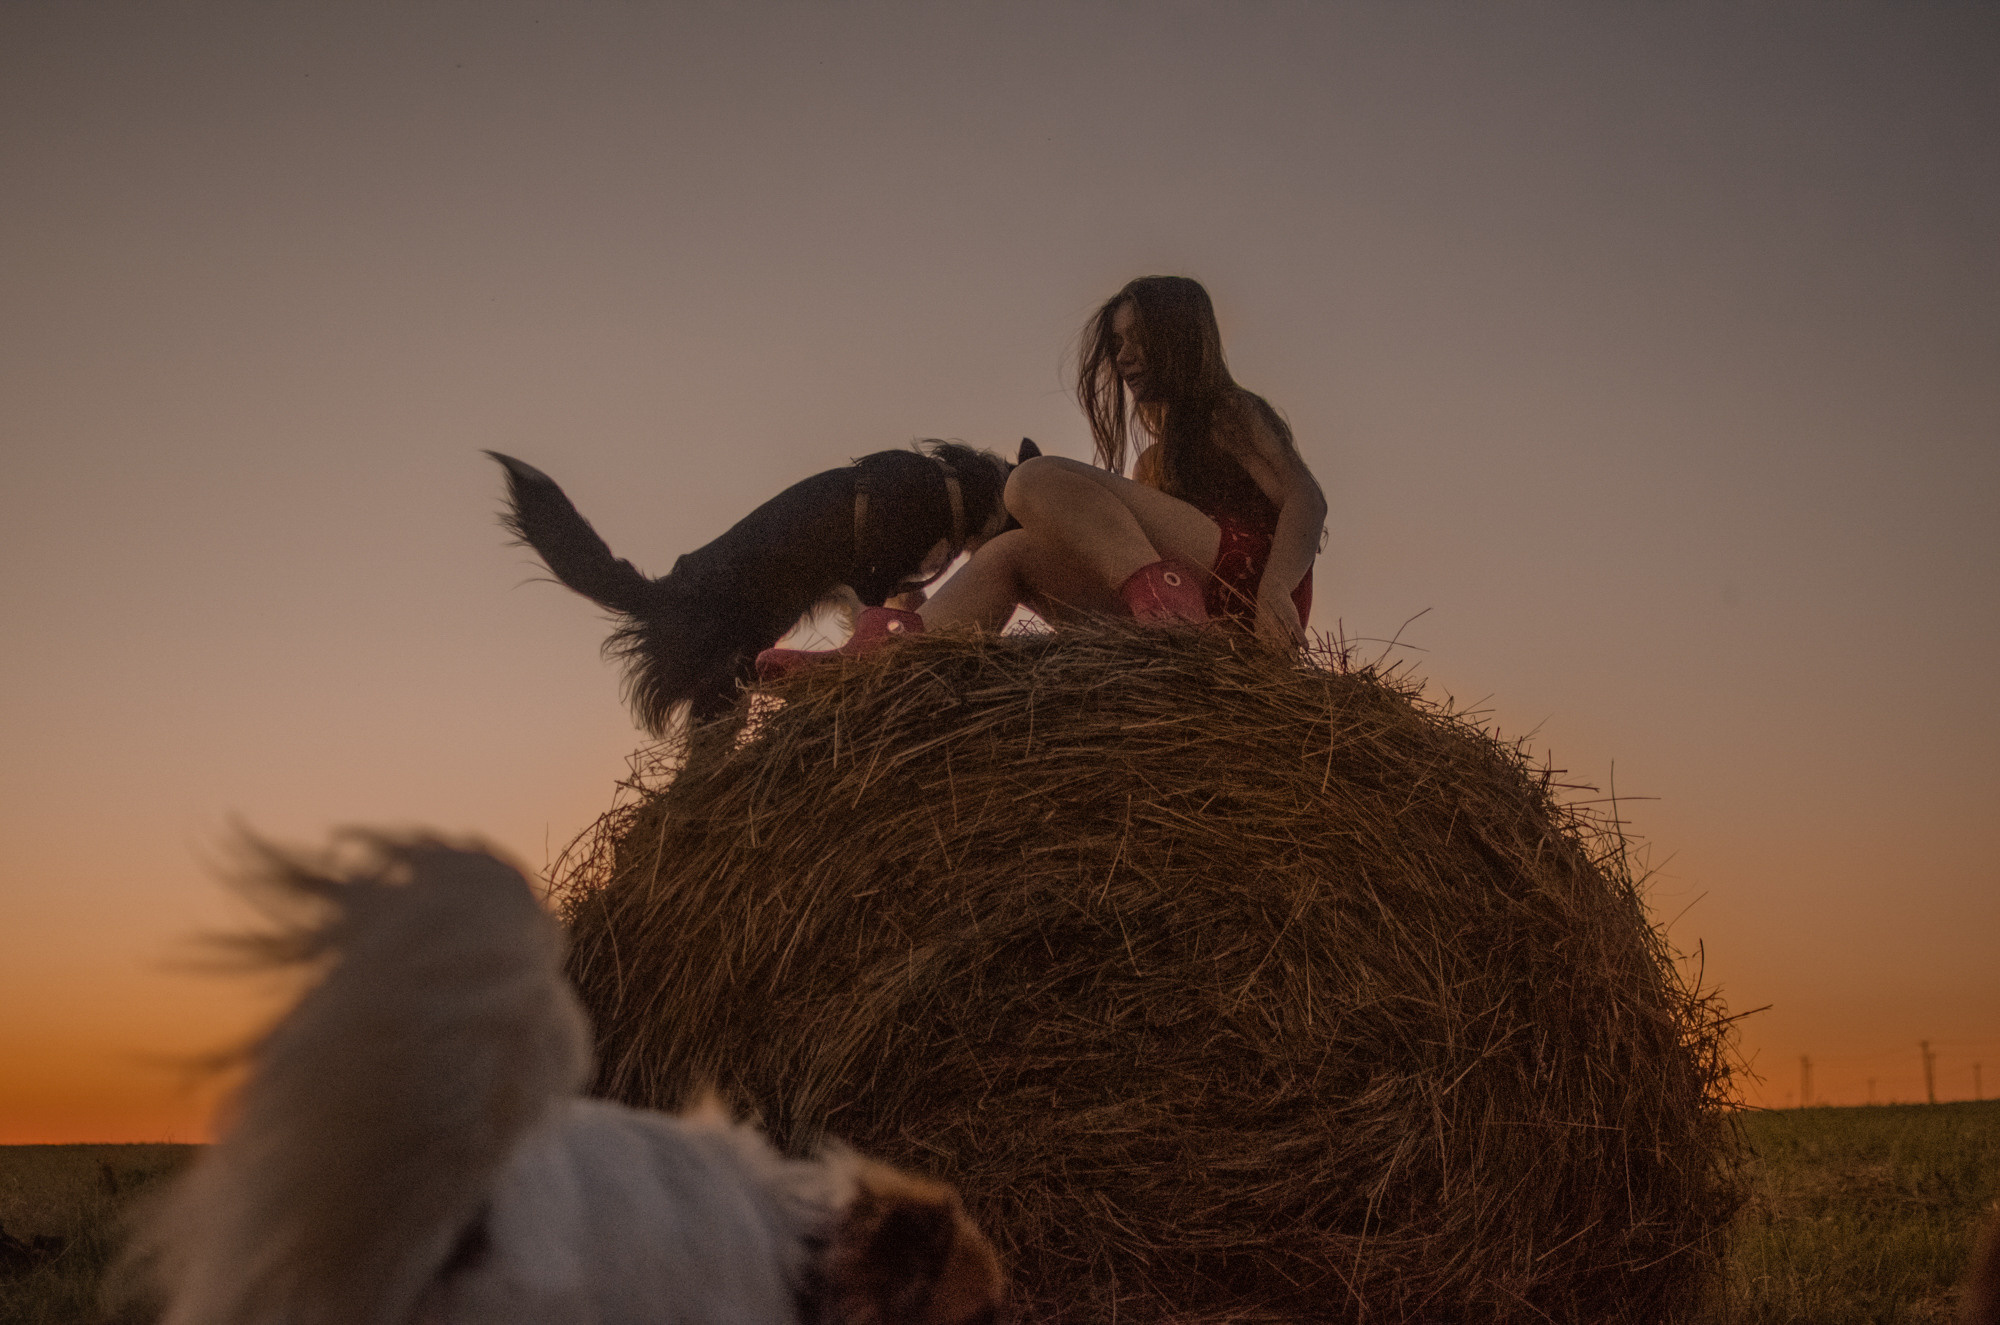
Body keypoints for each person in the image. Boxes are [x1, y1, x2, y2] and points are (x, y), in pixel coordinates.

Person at [759, 276, 1325, 676]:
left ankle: (1168, 621)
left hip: (1250, 585)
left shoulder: (1227, 410)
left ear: (1178, 337)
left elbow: (1306, 498)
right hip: (1202, 616)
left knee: (1031, 482)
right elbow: (1113, 544)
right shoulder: (1154, 462)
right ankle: (885, 665)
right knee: (1012, 553)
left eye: (1135, 339)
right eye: (1117, 343)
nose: (1122, 356)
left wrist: (1275, 588)